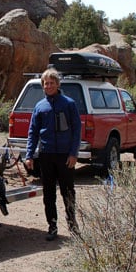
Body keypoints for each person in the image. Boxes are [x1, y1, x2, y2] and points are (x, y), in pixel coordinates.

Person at [24, 67, 81, 241]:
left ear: (57, 84)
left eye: (51, 83)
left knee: (68, 192)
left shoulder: (69, 104)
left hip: (65, 155)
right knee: (49, 193)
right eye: (45, 83)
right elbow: (33, 132)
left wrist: (73, 154)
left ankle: (73, 226)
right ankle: (52, 226)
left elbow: (77, 130)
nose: (48, 86)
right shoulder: (40, 106)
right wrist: (29, 155)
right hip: (46, 155)